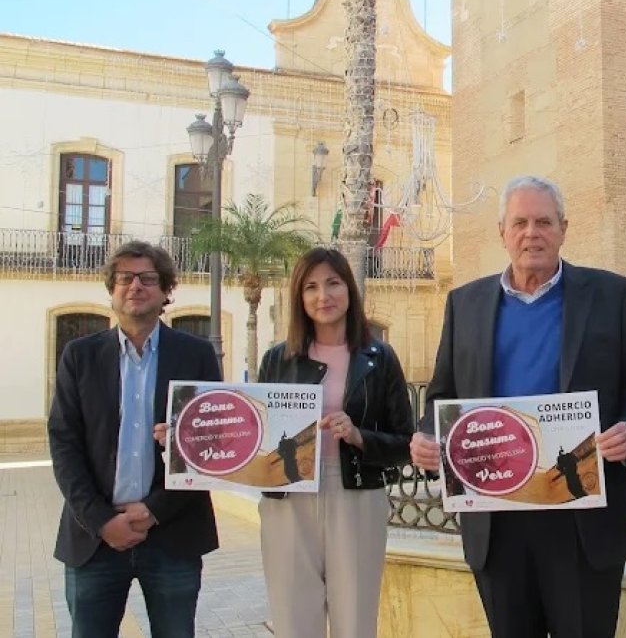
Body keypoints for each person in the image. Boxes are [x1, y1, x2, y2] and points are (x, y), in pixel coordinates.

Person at [410, 175, 626, 638]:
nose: (533, 233)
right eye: (520, 222)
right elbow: (442, 396)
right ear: (502, 232)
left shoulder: (610, 295)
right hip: (496, 519)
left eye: (544, 221)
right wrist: (427, 436)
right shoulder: (464, 304)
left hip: (582, 519)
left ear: (564, 228)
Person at [156, 247, 414, 637]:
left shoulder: (379, 356)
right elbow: (253, 431)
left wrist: (360, 436)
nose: (322, 295)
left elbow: (403, 441)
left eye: (332, 283)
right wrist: (185, 436)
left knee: (356, 619)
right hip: (287, 498)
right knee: (294, 617)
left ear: (349, 290)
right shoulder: (279, 358)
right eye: (310, 286)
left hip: (357, 497)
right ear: (299, 297)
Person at [48, 240, 221, 638]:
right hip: (95, 539)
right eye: (125, 278)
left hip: (173, 534)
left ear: (165, 291)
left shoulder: (196, 356)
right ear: (112, 289)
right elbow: (64, 444)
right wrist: (102, 520)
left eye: (147, 278)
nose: (135, 286)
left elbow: (213, 443)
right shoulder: (79, 356)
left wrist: (154, 509)